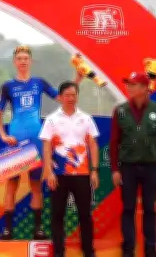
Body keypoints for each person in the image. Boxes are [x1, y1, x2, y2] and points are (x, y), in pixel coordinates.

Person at [0, 45, 83, 239]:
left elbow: (62, 98)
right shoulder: (7, 86)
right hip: (16, 141)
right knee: (12, 184)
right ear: (14, 62)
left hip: (36, 140)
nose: (23, 61)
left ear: (31, 61)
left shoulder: (39, 83)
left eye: (26, 58)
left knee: (36, 185)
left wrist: (78, 78)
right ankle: (8, 230)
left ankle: (38, 229)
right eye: (20, 59)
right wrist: (3, 135)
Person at [110, 72, 156, 257]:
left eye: (133, 84)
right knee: (128, 208)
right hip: (127, 168)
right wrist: (115, 169)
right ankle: (128, 248)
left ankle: (151, 247)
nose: (129, 87)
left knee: (150, 209)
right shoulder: (120, 110)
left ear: (144, 88)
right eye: (128, 84)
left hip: (151, 167)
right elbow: (114, 142)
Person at [39, 81, 99, 257]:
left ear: (77, 96)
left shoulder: (86, 118)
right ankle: (59, 252)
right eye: (67, 95)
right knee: (57, 215)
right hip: (59, 174)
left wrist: (94, 170)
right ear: (60, 97)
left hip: (82, 174)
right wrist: (49, 171)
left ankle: (88, 251)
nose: (71, 98)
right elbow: (46, 147)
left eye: (74, 95)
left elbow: (93, 145)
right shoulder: (52, 119)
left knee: (85, 215)